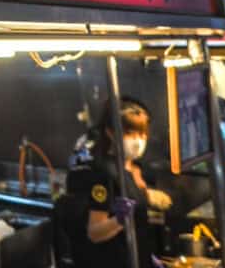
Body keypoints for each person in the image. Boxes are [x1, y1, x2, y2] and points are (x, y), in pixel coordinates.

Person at [65, 97, 173, 268]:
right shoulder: (104, 174)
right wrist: (119, 221)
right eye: (130, 133)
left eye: (142, 133)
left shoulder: (133, 166)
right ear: (110, 132)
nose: (138, 141)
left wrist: (147, 256)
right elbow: (94, 232)